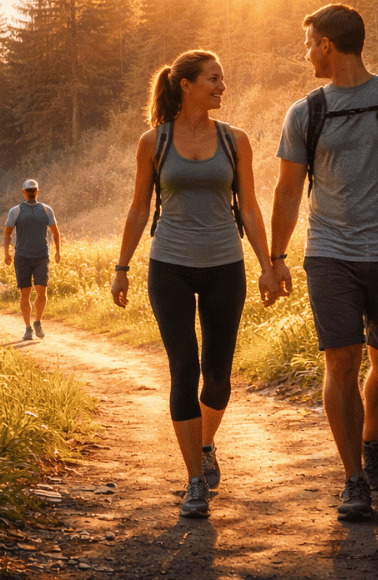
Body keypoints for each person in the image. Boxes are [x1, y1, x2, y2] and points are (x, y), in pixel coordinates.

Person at [264, 4, 378, 522]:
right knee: (341, 360)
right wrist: (276, 258)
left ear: (326, 44)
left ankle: (370, 437)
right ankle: (353, 479)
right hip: (331, 255)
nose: (306, 54)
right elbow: (287, 191)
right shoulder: (305, 112)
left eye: (309, 44)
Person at [109, 50, 277, 520]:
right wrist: (121, 267)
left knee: (217, 375)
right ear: (186, 85)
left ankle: (205, 444)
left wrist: (267, 265)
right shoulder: (154, 141)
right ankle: (194, 481)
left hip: (225, 265)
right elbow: (139, 208)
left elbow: (249, 207)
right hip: (171, 267)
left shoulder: (235, 140)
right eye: (213, 79)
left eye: (222, 79)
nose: (222, 87)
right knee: (183, 368)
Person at [3, 179, 61, 341]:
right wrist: (6, 253)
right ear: (24, 192)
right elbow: (7, 233)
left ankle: (38, 322)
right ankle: (28, 328)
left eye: (33, 190)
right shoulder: (15, 211)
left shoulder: (46, 210)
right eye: (28, 190)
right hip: (22, 257)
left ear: (37, 191)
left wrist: (58, 252)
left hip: (41, 256)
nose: (31, 192)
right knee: (25, 293)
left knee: (42, 290)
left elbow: (55, 232)